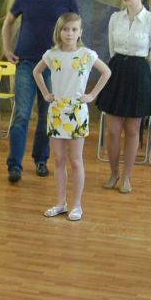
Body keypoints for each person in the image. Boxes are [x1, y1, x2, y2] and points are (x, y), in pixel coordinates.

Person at [3, 0, 79, 184]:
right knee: (22, 114)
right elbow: (8, 23)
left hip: (54, 65)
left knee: (47, 115)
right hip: (26, 63)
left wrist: (72, 56)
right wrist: (7, 48)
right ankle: (14, 165)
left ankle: (41, 159)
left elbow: (75, 27)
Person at [33, 13, 111, 222]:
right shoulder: (52, 54)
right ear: (59, 31)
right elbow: (36, 72)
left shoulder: (87, 54)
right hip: (57, 111)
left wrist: (92, 95)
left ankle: (77, 204)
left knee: (76, 160)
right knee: (58, 159)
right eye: (65, 29)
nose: (69, 33)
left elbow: (106, 72)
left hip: (76, 112)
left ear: (80, 32)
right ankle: (61, 203)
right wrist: (45, 93)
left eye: (74, 29)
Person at [96, 0, 151, 193]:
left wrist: (140, 72)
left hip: (140, 73)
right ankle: (113, 173)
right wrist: (121, 68)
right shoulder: (115, 18)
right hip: (117, 71)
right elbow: (111, 48)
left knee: (133, 129)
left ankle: (127, 177)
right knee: (113, 129)